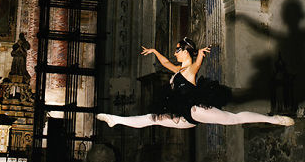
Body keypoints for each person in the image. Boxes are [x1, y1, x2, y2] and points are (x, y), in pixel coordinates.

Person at [96, 38, 294, 129]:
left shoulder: (190, 69)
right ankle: (115, 120)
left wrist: (199, 54)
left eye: (177, 50)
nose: (175, 53)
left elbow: (197, 64)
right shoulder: (179, 70)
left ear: (186, 51)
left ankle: (274, 119)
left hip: (195, 110)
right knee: (150, 118)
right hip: (182, 116)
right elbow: (165, 63)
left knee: (233, 119)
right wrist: (155, 51)